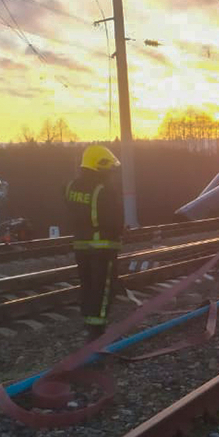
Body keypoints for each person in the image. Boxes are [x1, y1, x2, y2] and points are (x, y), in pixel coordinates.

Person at [65, 145, 124, 339]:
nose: (110, 173)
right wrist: (119, 234)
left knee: (87, 285)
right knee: (103, 288)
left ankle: (89, 323)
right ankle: (97, 332)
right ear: (98, 165)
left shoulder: (71, 186)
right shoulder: (104, 190)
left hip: (81, 246)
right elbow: (114, 220)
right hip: (103, 247)